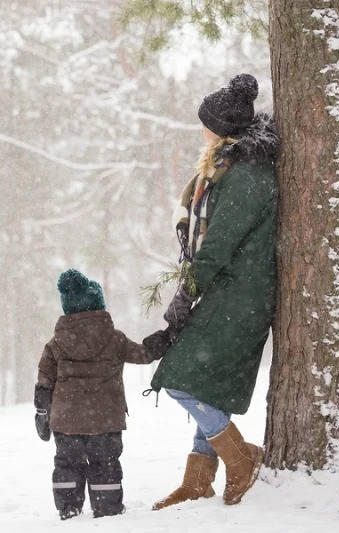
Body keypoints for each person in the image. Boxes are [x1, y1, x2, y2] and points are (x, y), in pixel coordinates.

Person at [149, 73, 280, 510]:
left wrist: (187, 291)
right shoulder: (228, 167)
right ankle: (199, 477)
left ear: (224, 130)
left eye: (206, 123)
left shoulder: (246, 176)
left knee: (181, 378)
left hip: (242, 294)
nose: (201, 129)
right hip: (230, 290)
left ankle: (241, 458)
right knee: (201, 382)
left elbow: (219, 244)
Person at [33, 268, 173, 520]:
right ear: (98, 305)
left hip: (66, 422)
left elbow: (44, 383)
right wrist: (164, 338)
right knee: (105, 465)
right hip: (105, 420)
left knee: (67, 464)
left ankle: (68, 508)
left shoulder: (54, 345)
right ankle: (107, 509)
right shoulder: (114, 339)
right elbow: (143, 354)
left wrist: (42, 413)